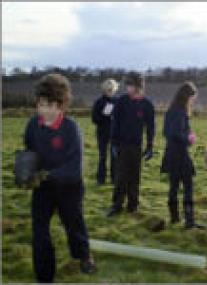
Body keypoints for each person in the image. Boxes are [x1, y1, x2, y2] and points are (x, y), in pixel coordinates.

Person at [23, 73, 96, 282]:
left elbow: (74, 168)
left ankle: (84, 256)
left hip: (69, 187)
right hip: (43, 188)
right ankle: (45, 276)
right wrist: (26, 172)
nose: (42, 110)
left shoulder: (71, 128)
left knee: (74, 225)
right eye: (39, 104)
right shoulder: (32, 125)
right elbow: (30, 151)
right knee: (39, 232)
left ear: (60, 105)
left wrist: (46, 174)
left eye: (47, 105)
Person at [107, 72, 155, 217]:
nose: (127, 88)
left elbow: (151, 127)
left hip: (136, 146)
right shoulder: (121, 101)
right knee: (120, 177)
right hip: (121, 145)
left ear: (138, 86)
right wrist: (113, 143)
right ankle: (116, 206)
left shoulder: (147, 105)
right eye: (126, 85)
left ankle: (133, 206)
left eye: (130, 85)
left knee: (135, 177)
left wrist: (149, 146)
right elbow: (115, 123)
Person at [161, 82, 204, 229]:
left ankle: (174, 218)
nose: (193, 101)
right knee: (188, 186)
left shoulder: (171, 111)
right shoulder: (180, 112)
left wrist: (187, 134)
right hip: (180, 154)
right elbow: (175, 134)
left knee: (173, 186)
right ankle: (189, 221)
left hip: (170, 153)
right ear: (187, 96)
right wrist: (189, 139)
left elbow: (166, 132)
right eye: (192, 98)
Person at [91, 78, 119, 185]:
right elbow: (94, 119)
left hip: (115, 133)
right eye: (108, 90)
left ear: (115, 89)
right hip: (102, 132)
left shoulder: (118, 101)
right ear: (104, 89)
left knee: (114, 156)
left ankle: (114, 179)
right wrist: (105, 116)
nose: (110, 92)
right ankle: (100, 179)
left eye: (112, 89)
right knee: (103, 156)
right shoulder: (99, 102)